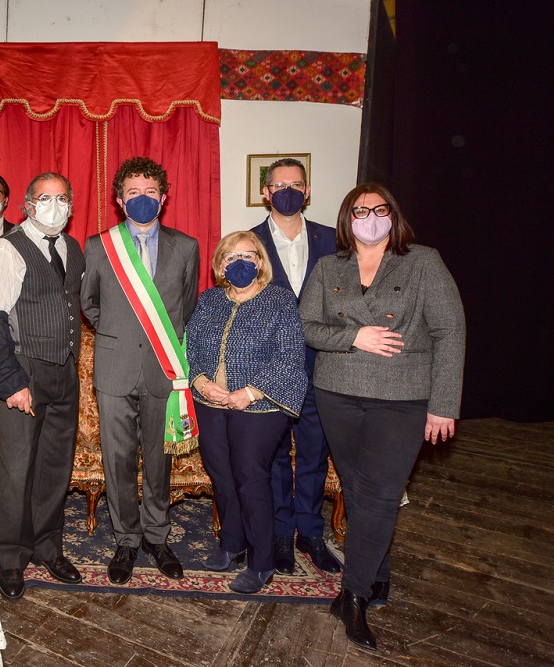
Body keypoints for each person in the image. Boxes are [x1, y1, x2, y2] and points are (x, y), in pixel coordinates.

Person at [299, 182, 465, 650]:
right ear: (346, 219)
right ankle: (379, 574)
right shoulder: (329, 266)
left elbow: (450, 332)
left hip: (402, 396)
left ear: (394, 215)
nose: (369, 218)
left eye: (379, 209)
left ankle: (352, 595)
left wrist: (444, 405)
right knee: (359, 491)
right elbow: (306, 325)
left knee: (380, 492)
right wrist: (353, 337)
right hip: (337, 392)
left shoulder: (423, 262)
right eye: (359, 211)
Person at [79, 157, 199, 584]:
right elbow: (89, 303)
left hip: (164, 367)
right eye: (133, 192)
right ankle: (126, 539)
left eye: (150, 192)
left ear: (163, 198)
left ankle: (157, 536)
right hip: (115, 367)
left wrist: (157, 342)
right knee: (118, 458)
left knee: (159, 457)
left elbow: (187, 306)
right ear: (119, 200)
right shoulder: (99, 246)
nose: (142, 199)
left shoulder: (186, 246)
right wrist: (120, 335)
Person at [0, 172, 85, 600]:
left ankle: (47, 547)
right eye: (44, 198)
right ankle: (11, 557)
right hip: (24, 372)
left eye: (62, 198)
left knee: (55, 467)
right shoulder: (7, 248)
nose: (54, 206)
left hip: (64, 372)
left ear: (71, 205)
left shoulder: (72, 248)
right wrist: (10, 383)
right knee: (18, 469)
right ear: (27, 204)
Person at [186, 231, 307, 594]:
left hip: (261, 406)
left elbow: (290, 356)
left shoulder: (279, 301)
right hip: (211, 403)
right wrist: (201, 382)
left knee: (250, 477)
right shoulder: (209, 300)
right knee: (222, 476)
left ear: (260, 261)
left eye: (247, 255)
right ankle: (232, 543)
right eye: (230, 257)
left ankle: (262, 561)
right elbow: (190, 347)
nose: (239, 262)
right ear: (220, 265)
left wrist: (250, 392)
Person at [250, 157, 340, 574]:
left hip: (322, 367)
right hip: (269, 369)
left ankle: (311, 531)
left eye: (296, 184)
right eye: (279, 185)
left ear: (307, 192)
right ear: (265, 192)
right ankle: (281, 533)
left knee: (314, 454)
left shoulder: (334, 240)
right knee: (273, 456)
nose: (288, 191)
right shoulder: (248, 243)